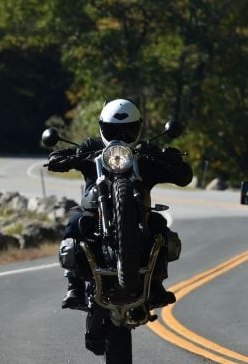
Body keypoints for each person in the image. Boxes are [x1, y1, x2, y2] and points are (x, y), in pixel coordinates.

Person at [46, 98, 193, 310]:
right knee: (76, 222)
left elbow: (184, 177)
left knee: (159, 225)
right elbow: (64, 157)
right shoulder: (91, 147)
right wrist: (62, 157)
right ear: (102, 128)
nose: (120, 139)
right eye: (113, 132)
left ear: (138, 128)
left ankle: (156, 285)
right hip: (94, 214)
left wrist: (171, 159)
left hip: (140, 217)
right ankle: (74, 286)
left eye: (127, 132)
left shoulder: (145, 153)